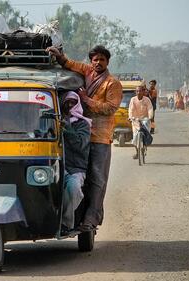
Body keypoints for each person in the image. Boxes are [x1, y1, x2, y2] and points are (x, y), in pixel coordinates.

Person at [47, 45, 122, 232]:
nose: (98, 63)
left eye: (101, 60)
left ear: (107, 62)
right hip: (80, 131)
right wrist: (59, 56)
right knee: (74, 175)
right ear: (91, 61)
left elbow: (111, 108)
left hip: (99, 137)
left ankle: (91, 219)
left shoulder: (112, 83)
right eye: (95, 60)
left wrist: (86, 99)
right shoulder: (87, 71)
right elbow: (70, 64)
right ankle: (72, 216)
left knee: (97, 180)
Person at [61, 91, 91, 233]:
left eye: (73, 102)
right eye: (67, 102)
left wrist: (67, 129)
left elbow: (80, 145)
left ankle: (65, 222)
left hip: (76, 169)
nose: (70, 105)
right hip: (58, 167)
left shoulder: (83, 124)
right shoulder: (56, 121)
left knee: (73, 188)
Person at [128, 85, 154, 159]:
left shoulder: (147, 100)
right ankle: (137, 152)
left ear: (143, 92)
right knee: (135, 136)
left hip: (145, 120)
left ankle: (145, 146)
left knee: (145, 133)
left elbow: (150, 109)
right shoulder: (133, 100)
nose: (139, 92)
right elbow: (130, 109)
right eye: (137, 91)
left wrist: (150, 117)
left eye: (140, 91)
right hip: (135, 120)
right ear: (135, 92)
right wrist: (130, 117)